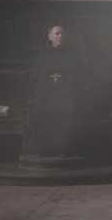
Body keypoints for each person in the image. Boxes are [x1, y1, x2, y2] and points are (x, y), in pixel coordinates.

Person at [22, 25, 83, 160]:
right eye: (56, 33)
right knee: (43, 116)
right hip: (45, 93)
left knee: (65, 118)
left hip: (66, 93)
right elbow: (36, 75)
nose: (60, 36)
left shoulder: (72, 55)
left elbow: (76, 75)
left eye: (62, 33)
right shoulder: (41, 55)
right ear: (49, 36)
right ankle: (45, 150)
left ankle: (63, 149)